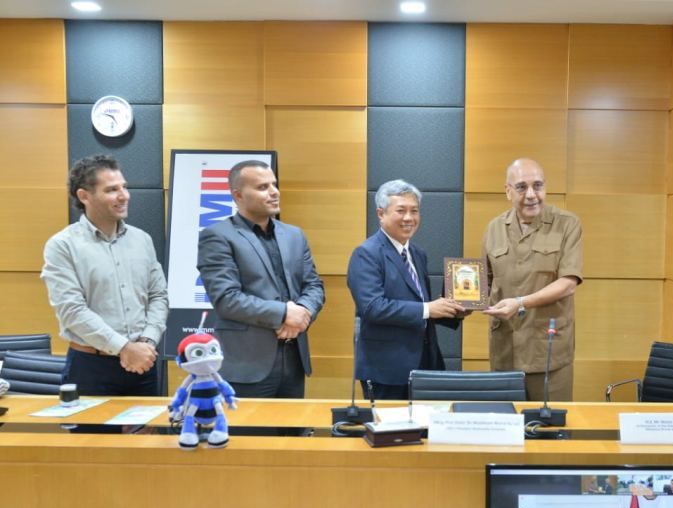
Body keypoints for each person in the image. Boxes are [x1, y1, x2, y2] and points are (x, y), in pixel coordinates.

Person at [41, 154, 168, 396]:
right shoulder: (62, 245)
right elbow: (72, 310)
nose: (124, 195)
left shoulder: (142, 240)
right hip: (90, 367)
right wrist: (124, 348)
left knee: (150, 424)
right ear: (84, 196)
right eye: (111, 190)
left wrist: (147, 342)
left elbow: (158, 296)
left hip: (143, 363)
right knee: (88, 425)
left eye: (124, 187)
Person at [197, 160, 324, 398]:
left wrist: (302, 313)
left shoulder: (294, 235)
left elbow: (313, 285)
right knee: (249, 424)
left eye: (274, 184)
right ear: (238, 195)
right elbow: (226, 299)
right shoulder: (217, 236)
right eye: (262, 187)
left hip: (294, 359)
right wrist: (284, 314)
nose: (274, 192)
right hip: (246, 364)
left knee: (293, 423)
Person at [347, 180, 464, 399]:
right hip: (386, 370)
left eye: (414, 211)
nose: (409, 218)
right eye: (401, 211)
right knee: (389, 423)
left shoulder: (418, 254)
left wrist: (454, 308)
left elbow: (421, 305)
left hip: (426, 365)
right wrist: (428, 309)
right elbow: (373, 308)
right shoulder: (366, 254)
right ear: (380, 214)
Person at [483, 158, 583, 401]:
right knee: (506, 421)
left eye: (537, 186)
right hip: (505, 350)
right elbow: (484, 283)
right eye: (521, 187)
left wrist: (520, 303)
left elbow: (568, 283)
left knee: (549, 422)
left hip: (548, 352)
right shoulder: (494, 228)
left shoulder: (567, 224)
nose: (531, 195)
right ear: (508, 191)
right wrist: (461, 302)